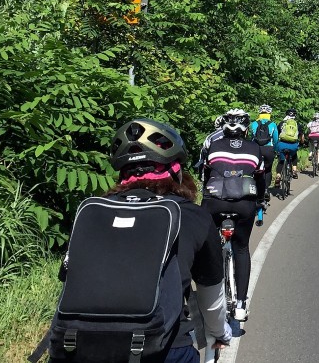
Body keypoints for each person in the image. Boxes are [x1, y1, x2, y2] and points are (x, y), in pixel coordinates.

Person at [70, 118, 231, 362]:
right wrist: (219, 332)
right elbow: (211, 295)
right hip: (163, 347)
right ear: (175, 171)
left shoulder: (94, 212)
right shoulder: (191, 215)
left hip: (81, 345)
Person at [198, 108, 264, 323]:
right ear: (246, 128)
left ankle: (203, 302)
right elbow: (261, 181)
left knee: (206, 250)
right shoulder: (255, 148)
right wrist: (260, 200)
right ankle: (241, 305)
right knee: (241, 248)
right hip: (244, 204)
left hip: (214, 202)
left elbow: (205, 176)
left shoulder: (213, 146)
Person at [248, 104, 279, 199]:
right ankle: (265, 189)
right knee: (268, 170)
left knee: (253, 169)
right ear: (269, 113)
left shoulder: (253, 124)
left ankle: (253, 189)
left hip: (255, 149)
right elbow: (276, 140)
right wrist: (276, 151)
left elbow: (249, 138)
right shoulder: (273, 124)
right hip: (268, 149)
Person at [275, 108, 302, 181]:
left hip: (282, 145)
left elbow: (277, 135)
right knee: (294, 155)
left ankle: (278, 176)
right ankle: (294, 170)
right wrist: (302, 143)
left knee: (281, 161)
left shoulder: (281, 123)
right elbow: (300, 136)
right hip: (293, 145)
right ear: (295, 115)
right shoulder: (297, 124)